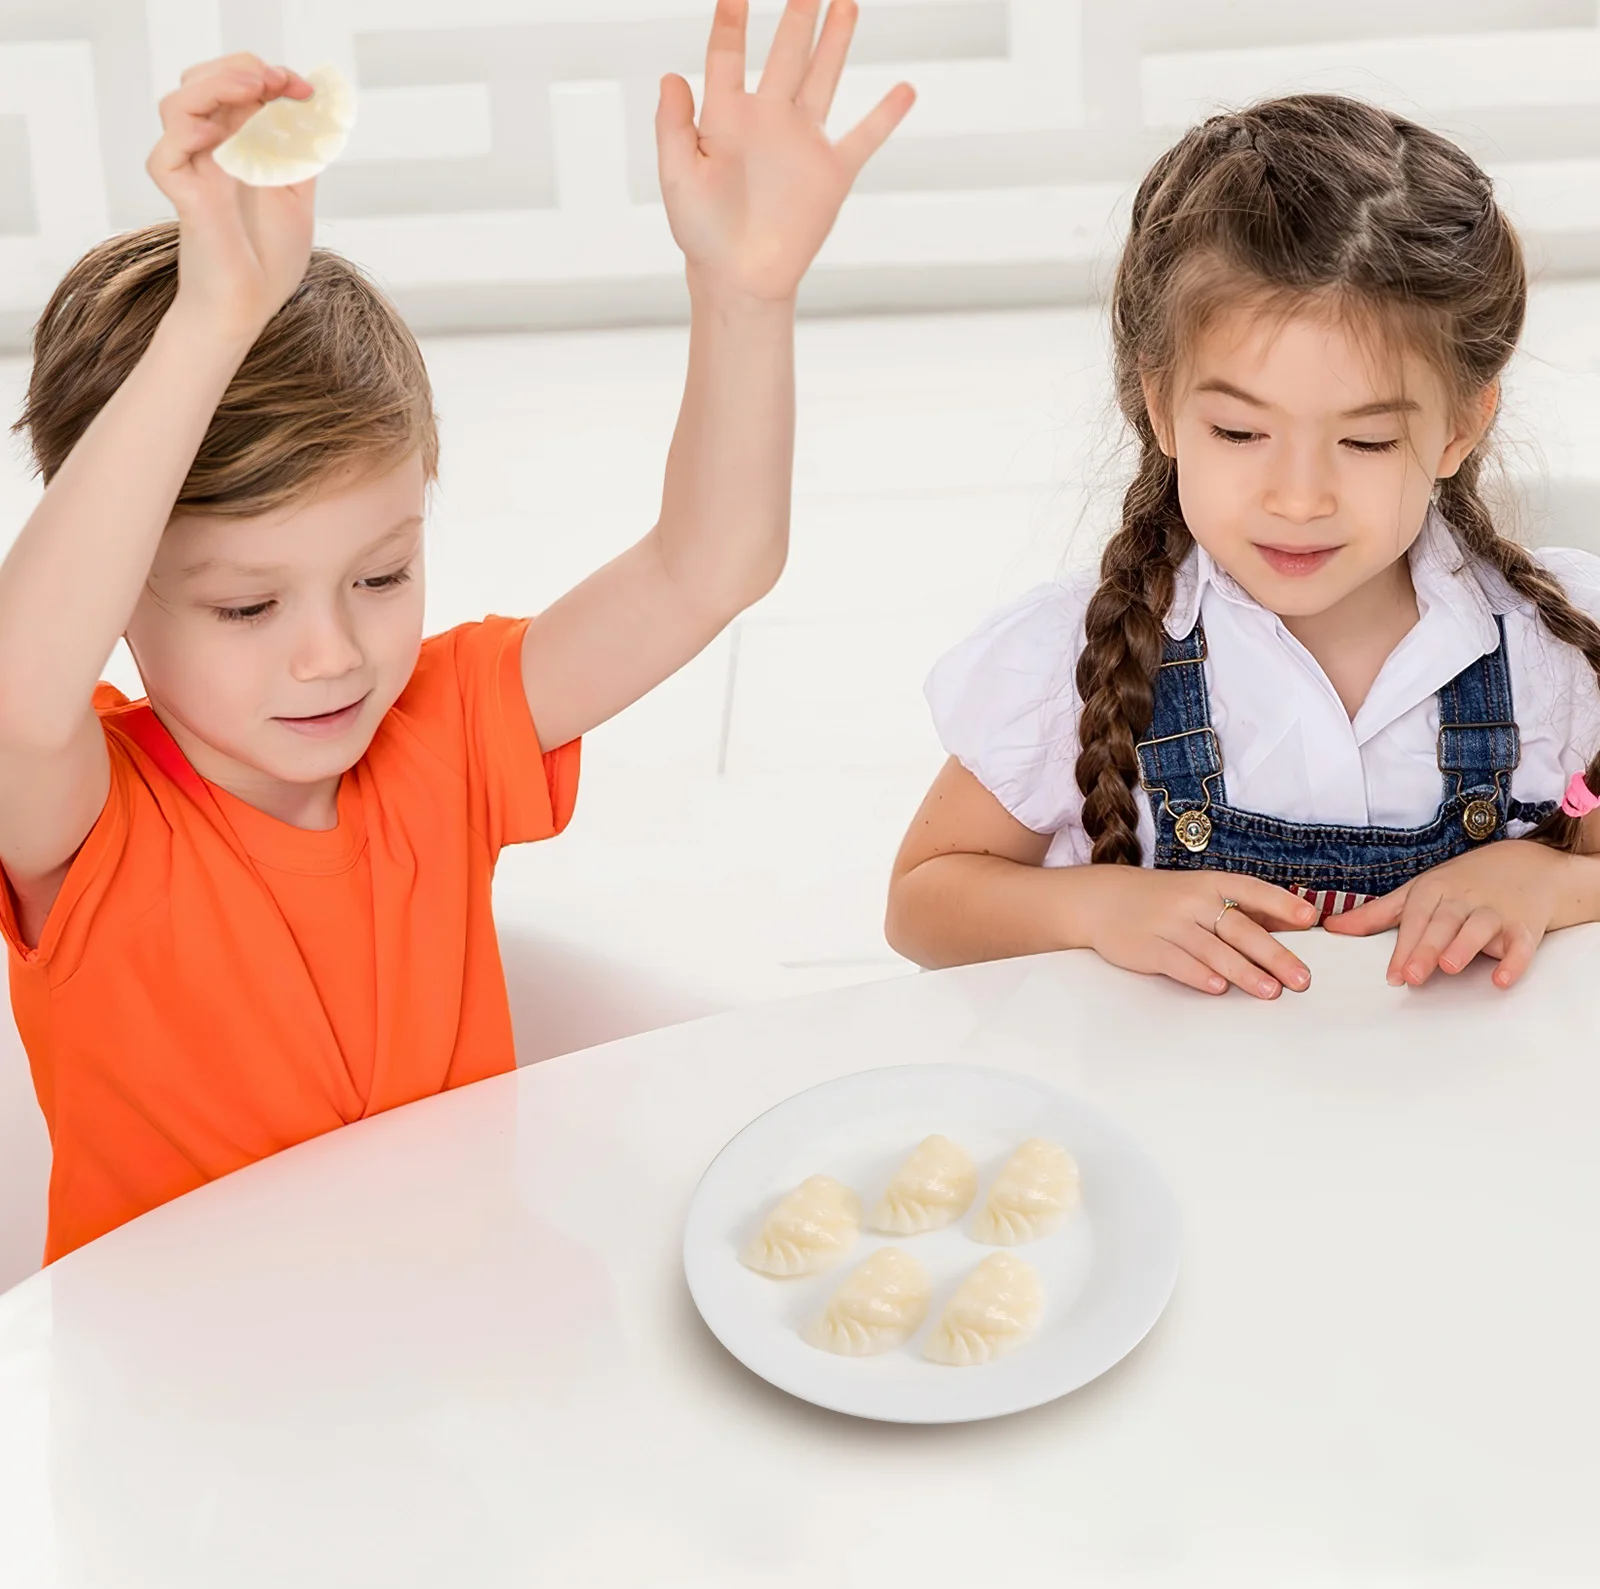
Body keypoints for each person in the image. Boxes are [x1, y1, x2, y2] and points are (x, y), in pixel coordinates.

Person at [0, 0, 914, 1263]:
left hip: (454, 1358)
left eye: (381, 576)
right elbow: (15, 694)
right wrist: (212, 316)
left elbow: (710, 565)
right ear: (117, 598)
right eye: (248, 606)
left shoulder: (445, 724)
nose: (332, 655)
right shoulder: (83, 825)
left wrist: (745, 294)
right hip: (187, 1427)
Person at [887, 95, 1600, 1000]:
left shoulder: (1557, 651)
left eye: (1366, 441)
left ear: (1462, 423)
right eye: (1238, 433)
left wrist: (1559, 881)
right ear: (1161, 405)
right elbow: (920, 903)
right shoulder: (1077, 657)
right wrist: (1098, 908)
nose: (1298, 498)